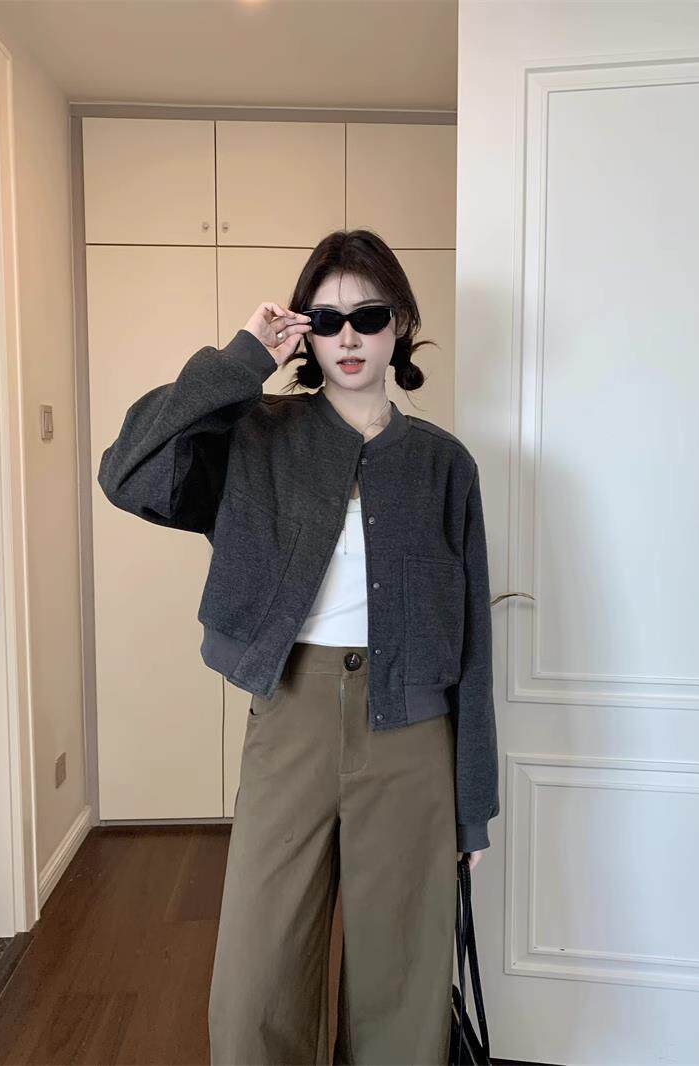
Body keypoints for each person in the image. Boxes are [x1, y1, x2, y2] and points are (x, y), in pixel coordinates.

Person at [98, 229, 499, 1065]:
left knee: (401, 984)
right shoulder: (257, 436)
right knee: (258, 981)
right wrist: (243, 358)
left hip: (413, 738)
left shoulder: (444, 465)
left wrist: (471, 805)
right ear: (304, 332)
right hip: (290, 717)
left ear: (400, 325)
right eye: (326, 318)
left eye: (369, 316)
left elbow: (473, 645)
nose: (349, 336)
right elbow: (127, 469)